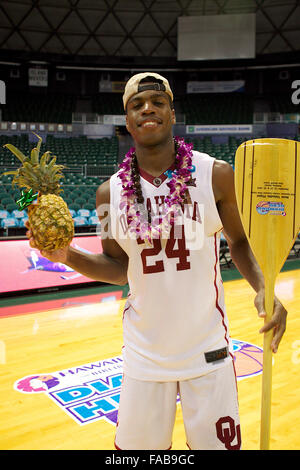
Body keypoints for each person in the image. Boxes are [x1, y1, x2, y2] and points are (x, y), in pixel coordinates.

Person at [26, 72, 287, 450]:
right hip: (144, 355)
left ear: (172, 113)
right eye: (137, 105)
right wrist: (65, 255)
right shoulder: (107, 195)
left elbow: (241, 243)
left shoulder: (216, 175)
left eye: (157, 102)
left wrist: (265, 287)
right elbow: (118, 270)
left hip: (208, 350)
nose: (147, 109)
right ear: (128, 121)